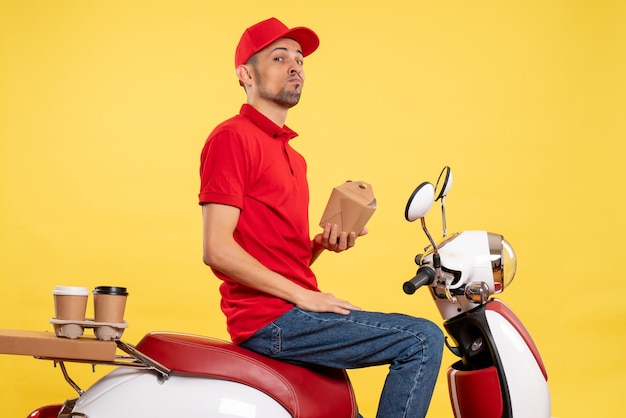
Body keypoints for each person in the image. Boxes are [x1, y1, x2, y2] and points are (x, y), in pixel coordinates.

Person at [198, 17, 444, 418]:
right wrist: (303, 296)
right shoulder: (232, 137)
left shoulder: (295, 157)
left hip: (296, 312)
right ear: (245, 75)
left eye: (299, 60)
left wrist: (318, 246)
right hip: (271, 320)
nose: (294, 66)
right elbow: (217, 249)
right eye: (279, 58)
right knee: (421, 339)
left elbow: (273, 255)